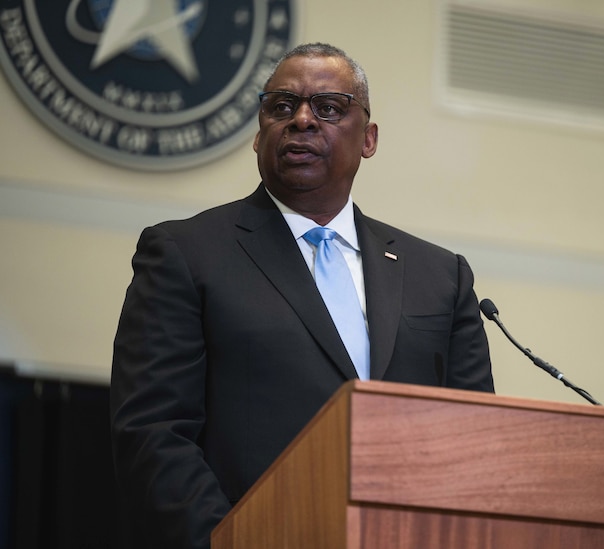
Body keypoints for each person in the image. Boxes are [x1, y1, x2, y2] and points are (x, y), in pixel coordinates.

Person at [109, 42, 494, 549]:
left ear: (369, 138)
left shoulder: (441, 276)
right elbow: (155, 434)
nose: (303, 120)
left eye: (330, 107)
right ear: (258, 135)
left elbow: (476, 442)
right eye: (281, 107)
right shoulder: (186, 253)